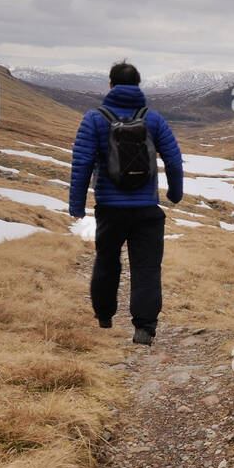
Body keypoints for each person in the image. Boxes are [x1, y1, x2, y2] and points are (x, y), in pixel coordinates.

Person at [69, 60, 183, 345]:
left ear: (110, 85)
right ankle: (144, 328)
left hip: (110, 208)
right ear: (138, 86)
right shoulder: (153, 119)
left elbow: (81, 163)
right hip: (147, 210)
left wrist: (76, 205)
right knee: (146, 268)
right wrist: (175, 193)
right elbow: (173, 158)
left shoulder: (94, 119)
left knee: (107, 262)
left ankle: (105, 316)